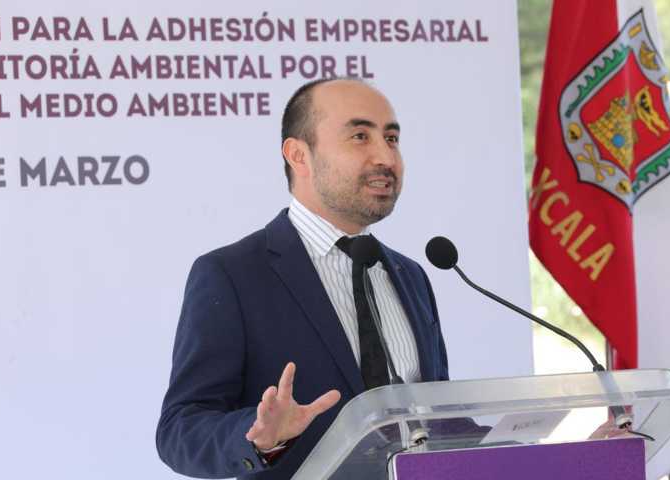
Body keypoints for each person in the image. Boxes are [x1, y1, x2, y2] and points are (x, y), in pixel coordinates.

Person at [156, 77, 450, 479]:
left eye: (392, 138)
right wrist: (259, 438)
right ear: (299, 155)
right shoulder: (232, 275)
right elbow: (180, 431)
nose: (386, 156)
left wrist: (511, 437)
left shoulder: (410, 275)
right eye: (360, 136)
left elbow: (435, 416)